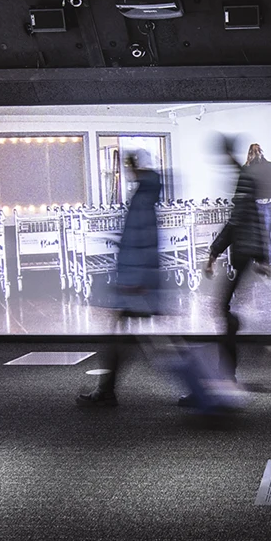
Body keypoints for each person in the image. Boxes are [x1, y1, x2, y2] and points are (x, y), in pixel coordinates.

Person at [78, 149, 166, 407]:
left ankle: (106, 391)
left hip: (136, 284)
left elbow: (139, 240)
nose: (128, 170)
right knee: (134, 339)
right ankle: (106, 390)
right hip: (141, 281)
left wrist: (131, 279)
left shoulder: (141, 198)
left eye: (130, 165)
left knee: (131, 340)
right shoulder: (147, 194)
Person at [205, 136, 271, 381]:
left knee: (222, 307)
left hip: (243, 250)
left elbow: (238, 221)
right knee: (224, 307)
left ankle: (228, 370)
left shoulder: (242, 176)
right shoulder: (242, 174)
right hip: (248, 250)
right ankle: (229, 366)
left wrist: (213, 252)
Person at [245, 144, 271, 260]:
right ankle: (270, 266)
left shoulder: (247, 168)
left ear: (249, 153)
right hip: (269, 203)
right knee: (266, 237)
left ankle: (256, 264)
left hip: (254, 206)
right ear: (262, 151)